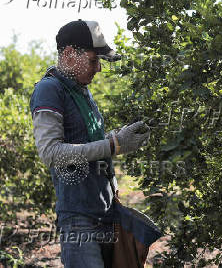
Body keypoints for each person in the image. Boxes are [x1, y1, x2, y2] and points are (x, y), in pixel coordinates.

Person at [29, 19, 150, 268]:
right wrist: (113, 145)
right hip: (79, 220)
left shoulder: (81, 90)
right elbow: (50, 153)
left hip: (105, 212)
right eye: (94, 60)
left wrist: (118, 137)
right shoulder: (49, 90)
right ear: (70, 54)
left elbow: (87, 144)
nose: (98, 69)